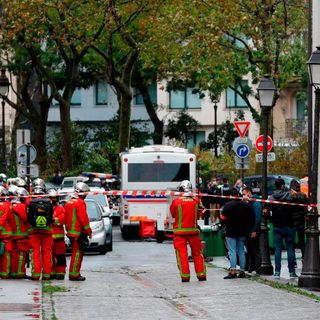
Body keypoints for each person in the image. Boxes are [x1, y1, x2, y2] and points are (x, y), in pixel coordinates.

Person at [170, 180, 206, 282]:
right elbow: (201, 211)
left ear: (181, 189)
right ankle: (201, 275)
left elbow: (173, 214)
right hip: (194, 232)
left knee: (182, 255)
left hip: (179, 233)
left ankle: (185, 277)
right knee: (198, 254)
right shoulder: (196, 200)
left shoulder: (176, 201)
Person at [220, 188, 255, 279]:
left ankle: (233, 271)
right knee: (241, 251)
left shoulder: (227, 206)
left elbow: (222, 218)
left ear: (230, 196)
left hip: (231, 231)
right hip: (242, 231)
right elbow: (251, 217)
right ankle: (242, 270)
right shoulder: (245, 205)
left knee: (232, 251)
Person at [268, 178, 297, 279]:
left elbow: (268, 211)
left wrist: (272, 220)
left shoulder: (272, 197)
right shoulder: (289, 195)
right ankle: (292, 271)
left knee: (277, 250)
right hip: (289, 225)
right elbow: (296, 207)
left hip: (277, 226)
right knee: (290, 249)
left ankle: (277, 271)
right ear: (283, 186)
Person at [65, 182, 92, 281]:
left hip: (71, 232)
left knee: (75, 253)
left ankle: (75, 273)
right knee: (77, 254)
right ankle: (74, 274)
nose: (86, 195)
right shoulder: (80, 202)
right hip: (78, 233)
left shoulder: (69, 202)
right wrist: (88, 231)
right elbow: (83, 219)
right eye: (86, 193)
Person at [27, 187, 54, 280]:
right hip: (47, 232)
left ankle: (36, 275)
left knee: (35, 253)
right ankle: (47, 275)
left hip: (33, 232)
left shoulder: (30, 202)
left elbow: (27, 217)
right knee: (47, 253)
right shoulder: (49, 202)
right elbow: (52, 217)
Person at [9, 187, 29, 279]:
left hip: (12, 235)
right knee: (21, 255)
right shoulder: (20, 206)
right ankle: (20, 272)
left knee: (14, 255)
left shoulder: (9, 205)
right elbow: (26, 219)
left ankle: (13, 272)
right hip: (21, 235)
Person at [242, 187, 262, 274]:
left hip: (253, 229)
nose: (243, 196)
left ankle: (257, 267)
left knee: (255, 249)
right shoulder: (249, 203)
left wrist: (254, 230)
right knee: (250, 249)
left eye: (244, 194)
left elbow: (257, 218)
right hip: (248, 229)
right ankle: (251, 266)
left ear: (249, 193)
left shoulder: (256, 203)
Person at [48, 189, 67, 280]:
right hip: (49, 237)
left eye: (55, 197)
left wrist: (53, 220)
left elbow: (62, 220)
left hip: (59, 237)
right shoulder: (45, 207)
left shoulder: (61, 208)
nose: (53, 199)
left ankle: (61, 272)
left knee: (60, 256)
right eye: (51, 197)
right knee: (50, 256)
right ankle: (51, 272)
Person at [289, 179, 307, 263]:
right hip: (301, 220)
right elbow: (305, 208)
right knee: (302, 241)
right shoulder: (303, 195)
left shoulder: (290, 195)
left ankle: (294, 261)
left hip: (292, 221)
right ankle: (304, 257)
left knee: (291, 242)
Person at [0, 186, 13, 279]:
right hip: (5, 235)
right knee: (6, 256)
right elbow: (6, 219)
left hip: (4, 235)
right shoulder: (8, 205)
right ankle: (4, 274)